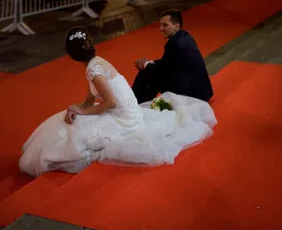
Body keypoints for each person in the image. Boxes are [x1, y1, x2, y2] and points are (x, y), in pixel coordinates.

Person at [19, 27, 217, 177]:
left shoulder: (93, 70)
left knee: (72, 132)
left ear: (72, 55)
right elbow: (89, 100)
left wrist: (83, 113)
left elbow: (111, 103)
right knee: (63, 122)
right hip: (121, 111)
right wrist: (77, 108)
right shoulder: (96, 63)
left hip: (123, 118)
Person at [131, 9, 213, 104]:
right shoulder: (186, 37)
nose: (161, 28)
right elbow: (170, 62)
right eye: (160, 25)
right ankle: (137, 101)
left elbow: (164, 69)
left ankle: (134, 104)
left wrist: (145, 66)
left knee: (147, 73)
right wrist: (149, 63)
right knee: (150, 70)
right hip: (203, 92)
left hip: (193, 95)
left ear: (176, 26)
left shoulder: (174, 43)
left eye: (165, 25)